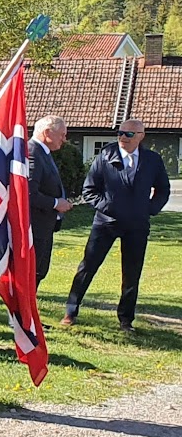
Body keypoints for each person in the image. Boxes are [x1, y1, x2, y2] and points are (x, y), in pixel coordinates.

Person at [63, 119, 172, 331]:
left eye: (129, 134)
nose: (123, 137)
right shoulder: (105, 156)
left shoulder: (152, 160)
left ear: (141, 136)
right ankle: (70, 311)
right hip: (106, 223)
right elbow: (89, 190)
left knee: (132, 272)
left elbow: (163, 190)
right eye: (120, 133)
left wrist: (149, 209)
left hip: (137, 225)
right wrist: (108, 206)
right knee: (88, 266)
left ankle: (126, 320)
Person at [28, 116, 74, 284]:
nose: (64, 139)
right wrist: (56, 203)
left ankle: (28, 309)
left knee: (39, 272)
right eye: (61, 134)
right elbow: (28, 193)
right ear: (47, 133)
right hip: (34, 227)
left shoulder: (43, 153)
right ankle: (21, 310)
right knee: (31, 274)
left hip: (45, 226)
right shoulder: (33, 152)